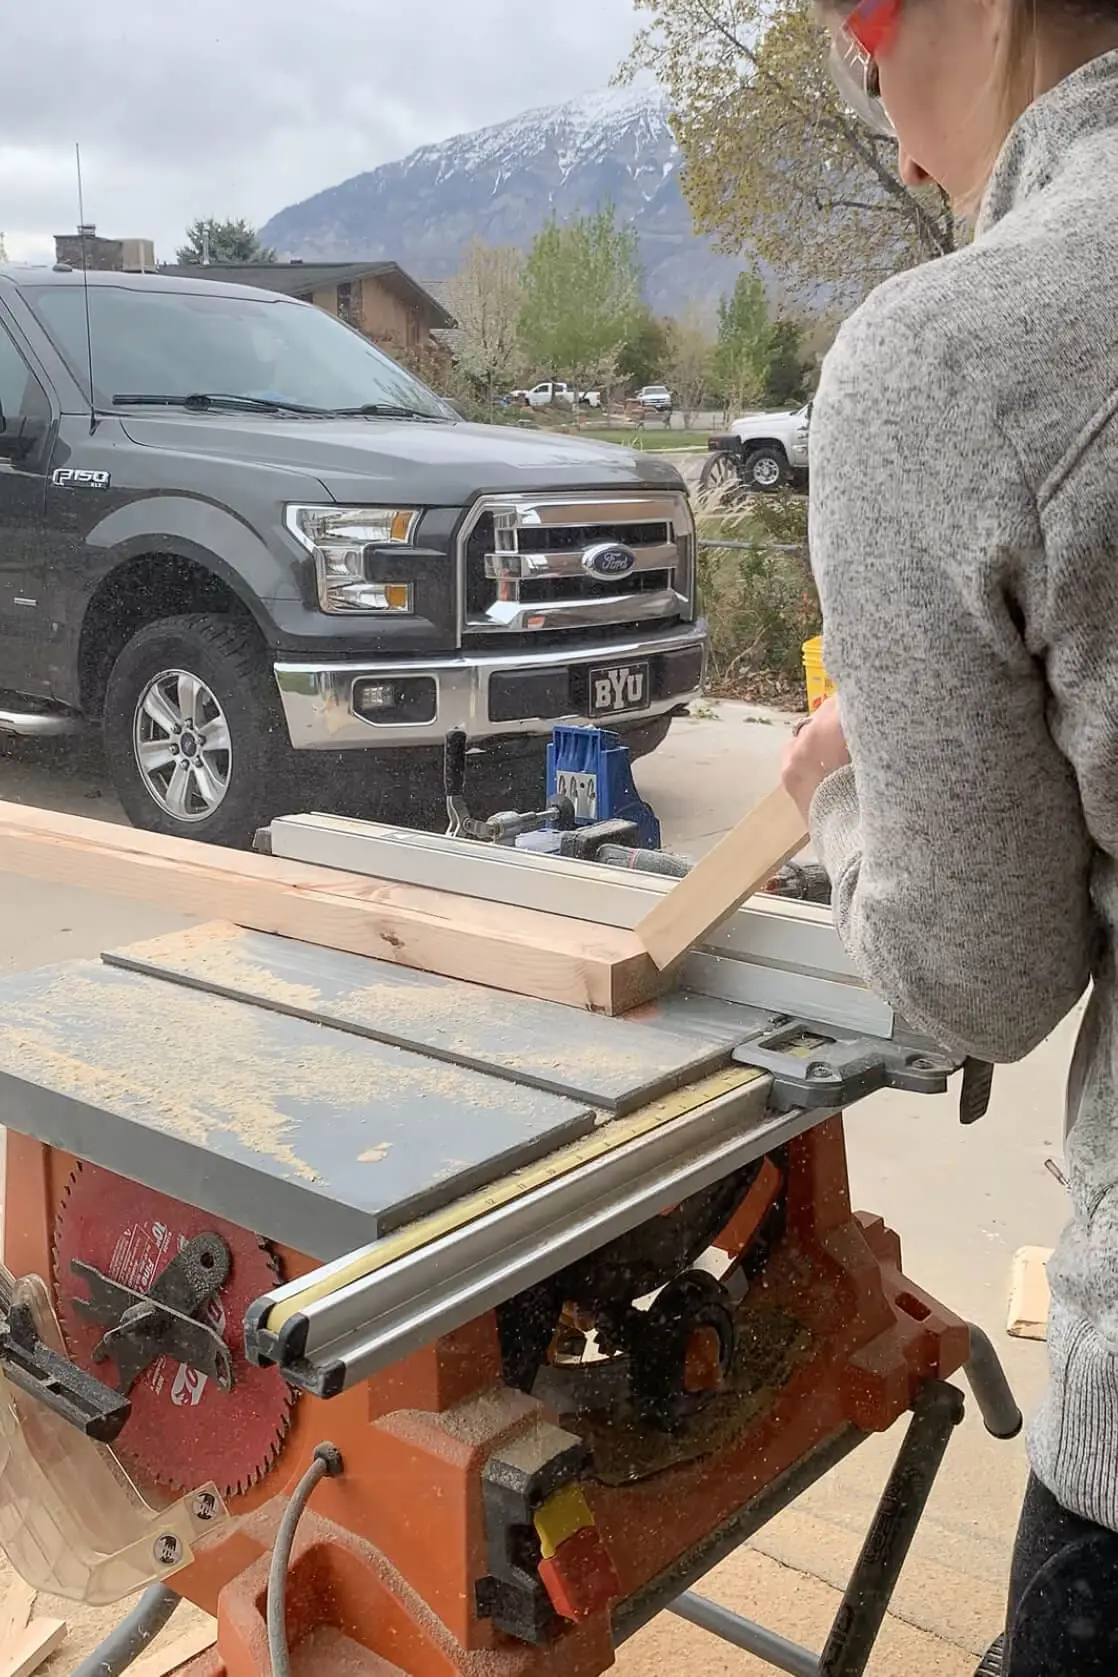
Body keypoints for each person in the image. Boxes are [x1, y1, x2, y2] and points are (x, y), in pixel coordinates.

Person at [780, 4, 1118, 1673]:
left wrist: (837, 794)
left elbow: (979, 983)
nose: (904, 148)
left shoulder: (956, 356)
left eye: (865, 50)